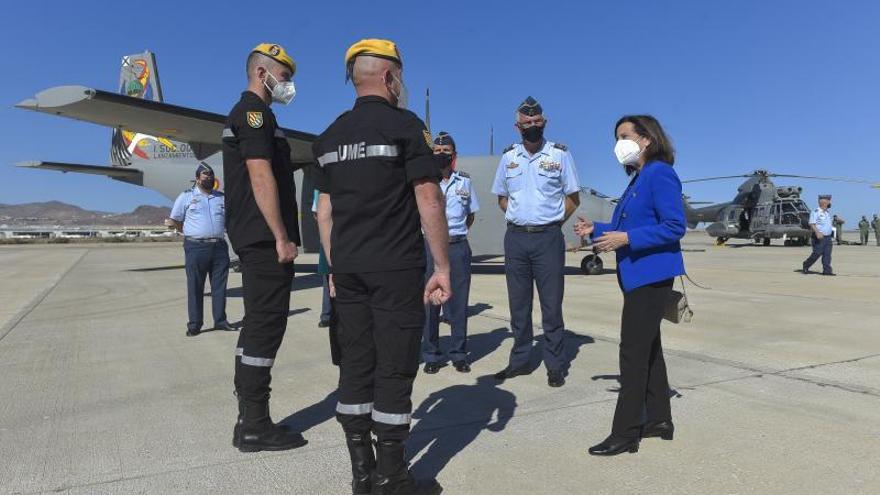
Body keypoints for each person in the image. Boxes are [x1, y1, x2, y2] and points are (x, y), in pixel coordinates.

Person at [313, 39, 449, 495]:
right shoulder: (406, 126)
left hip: (348, 269)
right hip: (394, 267)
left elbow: (323, 213)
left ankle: (361, 472)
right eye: (400, 76)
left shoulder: (330, 136)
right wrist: (443, 267)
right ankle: (392, 475)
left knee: (355, 364)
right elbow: (428, 197)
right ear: (390, 77)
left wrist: (334, 267)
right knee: (393, 366)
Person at [574, 115, 686, 456]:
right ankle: (659, 419)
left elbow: (674, 226)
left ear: (646, 138)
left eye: (624, 135)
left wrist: (627, 237)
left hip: (650, 275)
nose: (618, 143)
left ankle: (625, 432)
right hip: (637, 275)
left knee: (632, 354)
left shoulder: (660, 173)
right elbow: (628, 224)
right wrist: (595, 229)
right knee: (649, 350)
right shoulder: (639, 179)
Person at [222, 43, 306, 453]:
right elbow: (260, 176)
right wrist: (280, 236)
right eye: (284, 76)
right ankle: (255, 424)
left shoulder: (255, 115)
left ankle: (250, 420)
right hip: (262, 239)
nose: (288, 85)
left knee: (258, 324)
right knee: (265, 326)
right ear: (262, 73)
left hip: (254, 237)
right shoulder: (254, 115)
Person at [490, 96, 580, 388]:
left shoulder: (560, 155)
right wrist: (522, 218)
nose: (532, 126)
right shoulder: (508, 157)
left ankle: (555, 365)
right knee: (519, 305)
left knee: (551, 306)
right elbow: (502, 199)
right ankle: (520, 361)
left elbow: (573, 199)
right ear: (517, 127)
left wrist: (551, 222)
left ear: (545, 122)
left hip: (548, 239)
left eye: (536, 122)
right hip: (516, 238)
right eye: (526, 122)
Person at [422, 131, 479, 375]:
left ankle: (458, 353)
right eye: (437, 151)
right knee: (430, 303)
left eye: (446, 152)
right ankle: (431, 354)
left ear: (454, 156)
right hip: (428, 248)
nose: (442, 155)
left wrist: (452, 236)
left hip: (457, 246)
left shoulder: (464, 182)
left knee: (458, 303)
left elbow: (471, 215)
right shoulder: (424, 183)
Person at [166, 163, 235, 336]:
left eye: (211, 175)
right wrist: (190, 232)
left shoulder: (221, 197)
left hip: (219, 247)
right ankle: (195, 324)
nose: (209, 178)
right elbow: (174, 220)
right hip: (196, 247)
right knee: (196, 286)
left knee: (219, 286)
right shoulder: (186, 197)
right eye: (205, 175)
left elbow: (228, 220)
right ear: (197, 178)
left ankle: (220, 320)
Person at [801, 195, 834, 275]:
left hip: (828, 237)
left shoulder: (827, 213)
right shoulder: (816, 212)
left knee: (827, 255)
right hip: (818, 237)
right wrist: (817, 232)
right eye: (829, 201)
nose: (830, 202)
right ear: (824, 202)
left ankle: (827, 271)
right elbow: (812, 223)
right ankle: (806, 264)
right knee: (817, 253)